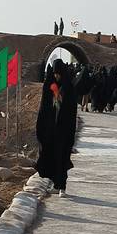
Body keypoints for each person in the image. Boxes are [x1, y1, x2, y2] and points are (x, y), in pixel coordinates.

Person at [35, 59, 78, 196]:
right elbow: (44, 107)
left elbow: (71, 110)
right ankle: (55, 183)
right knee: (52, 156)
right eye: (55, 74)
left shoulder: (68, 87)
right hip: (51, 129)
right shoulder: (50, 85)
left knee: (62, 156)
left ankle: (62, 187)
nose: (57, 76)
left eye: (58, 74)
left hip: (64, 130)